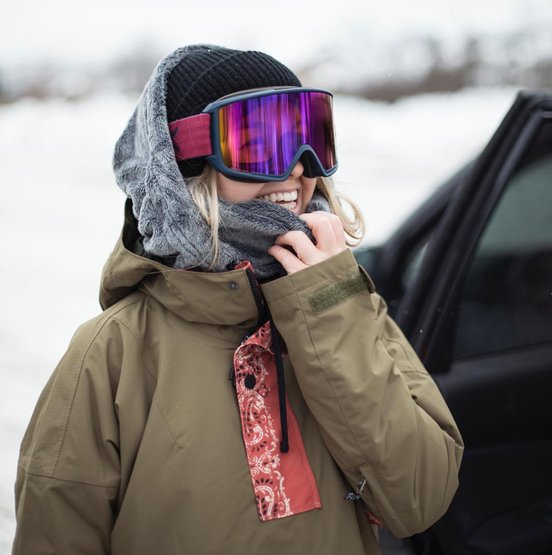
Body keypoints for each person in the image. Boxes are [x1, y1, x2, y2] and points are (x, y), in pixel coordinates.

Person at [12, 44, 463, 555]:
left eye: (310, 137)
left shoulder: (345, 301)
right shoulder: (111, 354)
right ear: (182, 166)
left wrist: (331, 311)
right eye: (261, 143)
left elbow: (421, 498)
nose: (296, 170)